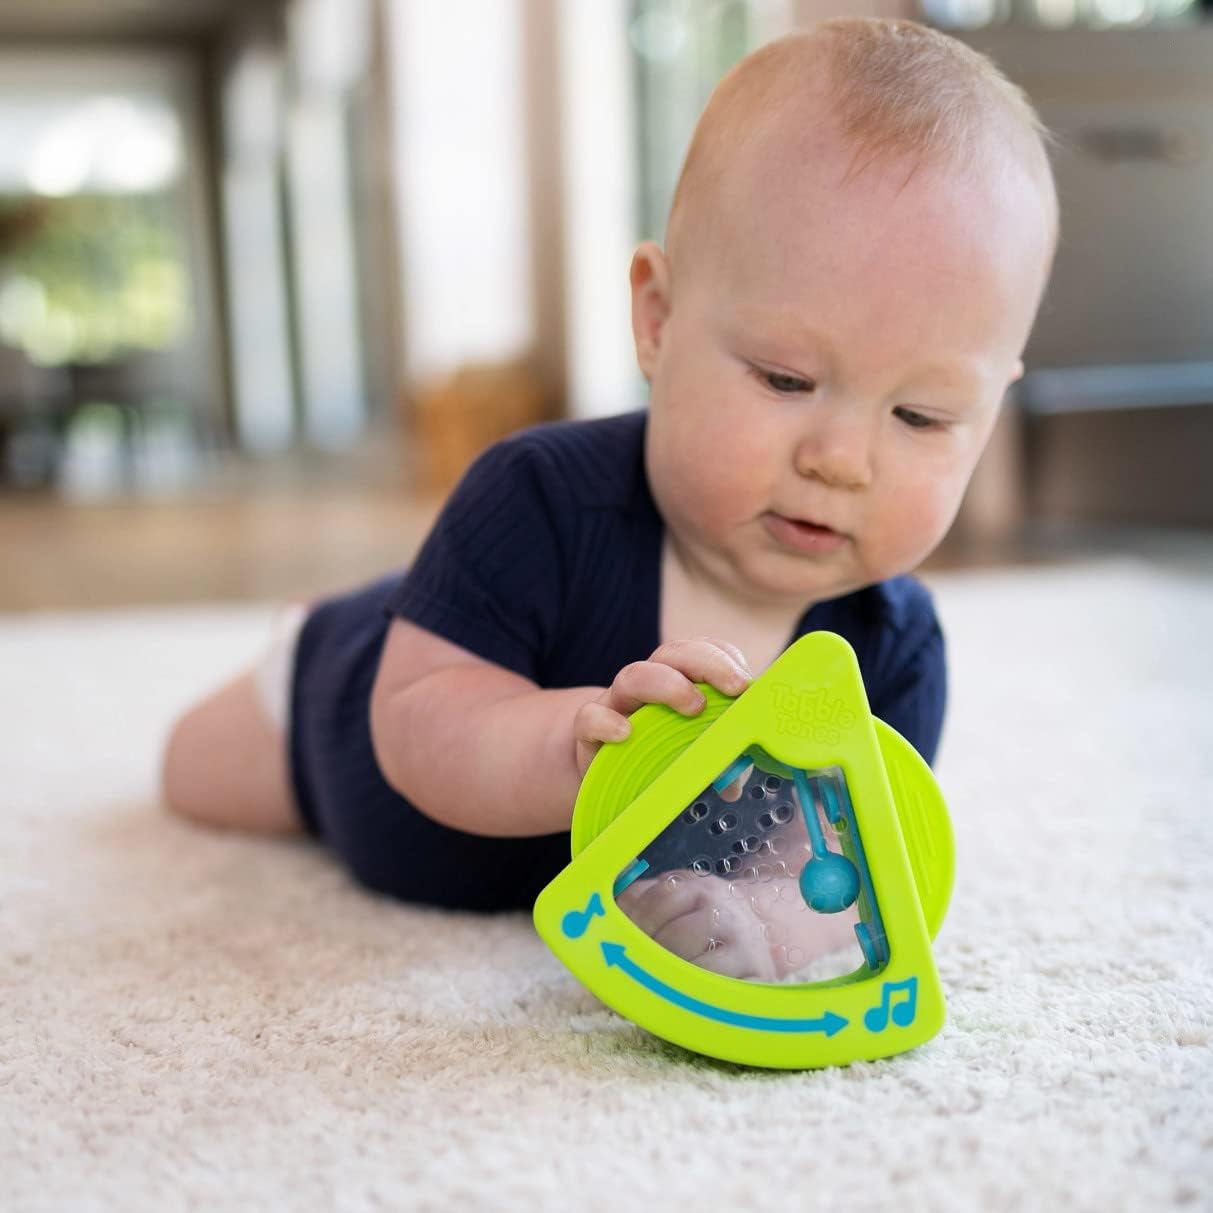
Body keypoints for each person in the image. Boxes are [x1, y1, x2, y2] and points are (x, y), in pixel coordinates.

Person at [162, 17, 1058, 983]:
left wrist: (756, 926)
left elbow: (843, 875)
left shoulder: (891, 652)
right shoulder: (535, 499)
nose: (842, 459)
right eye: (785, 379)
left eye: (920, 416)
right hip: (334, 717)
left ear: (990, 407)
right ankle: (332, 629)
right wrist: (569, 750)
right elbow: (417, 723)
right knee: (184, 775)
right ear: (657, 319)